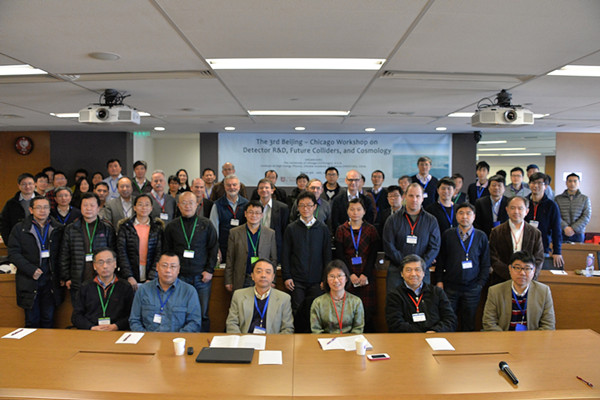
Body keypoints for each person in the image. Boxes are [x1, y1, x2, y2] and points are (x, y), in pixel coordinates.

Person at [164, 192, 218, 332]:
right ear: (178, 205)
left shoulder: (206, 224)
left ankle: (203, 341)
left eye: (191, 203)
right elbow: (167, 251)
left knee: (202, 313)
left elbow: (213, 248)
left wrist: (209, 270)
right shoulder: (172, 226)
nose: (187, 206)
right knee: (179, 312)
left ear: (197, 205)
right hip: (179, 277)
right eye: (184, 203)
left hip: (201, 277)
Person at [8, 196, 63, 328]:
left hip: (50, 279)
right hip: (29, 279)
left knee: (48, 319)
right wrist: (30, 269)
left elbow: (63, 253)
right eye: (38, 207)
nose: (42, 211)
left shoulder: (58, 228)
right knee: (32, 320)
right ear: (31, 210)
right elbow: (13, 253)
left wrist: (62, 275)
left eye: (45, 207)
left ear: (50, 210)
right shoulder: (20, 228)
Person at [282, 191, 332, 332]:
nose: (306, 209)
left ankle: (314, 337)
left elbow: (327, 256)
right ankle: (298, 338)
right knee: (297, 310)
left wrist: (325, 278)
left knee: (315, 310)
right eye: (302, 205)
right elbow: (285, 254)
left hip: (317, 280)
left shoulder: (323, 229)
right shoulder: (291, 228)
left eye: (309, 205)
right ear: (297, 208)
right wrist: (287, 276)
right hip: (296, 280)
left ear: (315, 207)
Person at [436, 203, 490, 331]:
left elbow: (485, 263)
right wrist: (439, 281)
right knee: (448, 321)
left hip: (472, 288)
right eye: (461, 213)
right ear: (456, 216)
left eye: (468, 213)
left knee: (469, 322)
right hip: (450, 287)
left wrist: (480, 284)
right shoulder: (448, 234)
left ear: (474, 216)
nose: (464, 216)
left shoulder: (481, 236)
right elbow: (441, 259)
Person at [382, 183, 440, 293]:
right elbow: (389, 245)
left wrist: (419, 266)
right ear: (405, 196)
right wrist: (406, 265)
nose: (414, 199)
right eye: (411, 196)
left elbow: (434, 247)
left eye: (418, 196)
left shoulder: (431, 220)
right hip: (397, 270)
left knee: (422, 302)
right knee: (395, 302)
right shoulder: (392, 220)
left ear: (422, 198)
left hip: (421, 271)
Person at [59, 192, 116, 301]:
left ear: (98, 208)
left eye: (92, 205)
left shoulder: (106, 228)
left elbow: (113, 252)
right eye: (85, 205)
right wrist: (66, 277)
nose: (88, 208)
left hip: (102, 278)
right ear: (80, 207)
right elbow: (64, 254)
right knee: (79, 308)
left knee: (100, 308)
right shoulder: (71, 228)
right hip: (78, 278)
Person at [334, 198, 380, 331]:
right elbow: (340, 255)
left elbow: (373, 255)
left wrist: (365, 274)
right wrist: (350, 274)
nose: (355, 213)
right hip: (348, 274)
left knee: (367, 311)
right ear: (347, 211)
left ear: (364, 211)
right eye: (352, 209)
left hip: (366, 273)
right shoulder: (341, 230)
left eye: (359, 209)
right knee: (348, 309)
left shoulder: (371, 230)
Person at [129, 252, 202, 332]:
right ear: (157, 267)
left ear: (178, 269)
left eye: (173, 266)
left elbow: (194, 323)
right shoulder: (143, 290)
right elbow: (134, 320)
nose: (168, 270)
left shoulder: (189, 291)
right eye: (164, 265)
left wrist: (177, 338)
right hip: (148, 338)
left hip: (178, 338)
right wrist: (146, 337)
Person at [483, 251, 555, 331]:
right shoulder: (495, 291)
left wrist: (533, 338)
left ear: (534, 270)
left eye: (527, 268)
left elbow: (548, 325)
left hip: (533, 337)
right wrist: (505, 338)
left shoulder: (544, 291)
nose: (522, 273)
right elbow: (489, 322)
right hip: (503, 337)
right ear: (510, 269)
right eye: (517, 268)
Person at [385, 254, 456, 333]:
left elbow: (450, 319)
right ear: (402, 274)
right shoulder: (394, 295)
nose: (413, 274)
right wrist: (422, 333)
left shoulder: (437, 292)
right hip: (408, 338)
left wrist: (435, 331)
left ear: (423, 273)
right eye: (408, 270)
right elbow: (395, 324)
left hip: (435, 336)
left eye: (417, 270)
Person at [71, 248, 134, 331]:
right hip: (92, 331)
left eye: (109, 262)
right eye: (100, 262)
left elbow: (132, 315)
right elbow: (76, 316)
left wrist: (116, 326)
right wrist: (91, 327)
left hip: (117, 331)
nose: (105, 266)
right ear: (94, 266)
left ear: (115, 264)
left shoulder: (125, 287)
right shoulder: (85, 287)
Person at [226, 259, 294, 334]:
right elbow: (232, 323)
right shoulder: (239, 295)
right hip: (246, 339)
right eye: (259, 271)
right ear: (252, 276)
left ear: (273, 277)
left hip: (271, 340)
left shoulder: (284, 298)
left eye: (268, 272)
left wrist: (274, 341)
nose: (263, 275)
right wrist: (240, 339)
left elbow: (287, 328)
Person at [489, 196, 544, 284]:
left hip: (527, 281)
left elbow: (538, 258)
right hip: (502, 280)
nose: (516, 211)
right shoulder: (496, 232)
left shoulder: (535, 233)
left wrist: (526, 275)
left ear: (526, 211)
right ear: (507, 210)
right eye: (512, 208)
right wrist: (512, 274)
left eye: (520, 208)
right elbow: (493, 258)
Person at [225, 201, 277, 292]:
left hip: (263, 279)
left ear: (262, 215)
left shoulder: (270, 233)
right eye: (251, 212)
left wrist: (273, 280)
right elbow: (230, 258)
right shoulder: (234, 233)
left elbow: (273, 259)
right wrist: (228, 280)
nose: (254, 215)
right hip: (242, 278)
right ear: (245, 214)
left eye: (257, 213)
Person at [117, 194, 164, 291]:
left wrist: (152, 277)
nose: (144, 208)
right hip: (131, 271)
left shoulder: (157, 228)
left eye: (147, 205)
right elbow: (121, 253)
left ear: (151, 208)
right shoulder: (125, 227)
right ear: (134, 207)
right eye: (140, 204)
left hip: (151, 270)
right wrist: (129, 276)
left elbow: (159, 253)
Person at [310, 260, 365, 334]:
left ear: (346, 278)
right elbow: (316, 330)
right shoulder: (318, 303)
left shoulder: (356, 302)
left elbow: (358, 329)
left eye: (339, 276)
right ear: (326, 280)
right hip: (325, 340)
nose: (336, 280)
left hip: (350, 340)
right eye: (332, 276)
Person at [525, 172, 563, 269]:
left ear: (545, 186)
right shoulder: (524, 203)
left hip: (542, 247)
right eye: (533, 182)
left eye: (539, 183)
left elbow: (556, 230)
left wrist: (557, 251)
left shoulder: (551, 206)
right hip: (524, 247)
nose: (535, 186)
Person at [209, 174, 249, 258]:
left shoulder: (247, 204)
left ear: (239, 186)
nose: (232, 187)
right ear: (224, 187)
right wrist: (216, 248)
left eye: (234, 185)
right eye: (228, 185)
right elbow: (213, 230)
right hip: (224, 247)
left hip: (243, 247)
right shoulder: (217, 205)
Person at [256, 178, 289, 262]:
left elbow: (285, 231)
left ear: (272, 190)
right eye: (261, 188)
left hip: (274, 246)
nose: (264, 190)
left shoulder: (282, 208)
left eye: (267, 187)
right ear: (258, 191)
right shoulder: (252, 207)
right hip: (255, 244)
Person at [555, 173, 591, 243]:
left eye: (575, 181)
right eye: (570, 181)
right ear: (566, 183)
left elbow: (586, 216)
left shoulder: (585, 199)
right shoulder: (558, 199)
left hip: (578, 233)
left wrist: (574, 228)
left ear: (579, 183)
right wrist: (565, 227)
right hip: (562, 231)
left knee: (578, 250)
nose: (572, 183)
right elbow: (556, 215)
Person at [0, 173, 36, 243]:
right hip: (17, 240)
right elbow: (3, 224)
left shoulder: (43, 201)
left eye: (30, 183)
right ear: (19, 186)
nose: (27, 186)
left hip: (38, 240)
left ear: (35, 184)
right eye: (24, 184)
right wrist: (9, 241)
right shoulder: (11, 203)